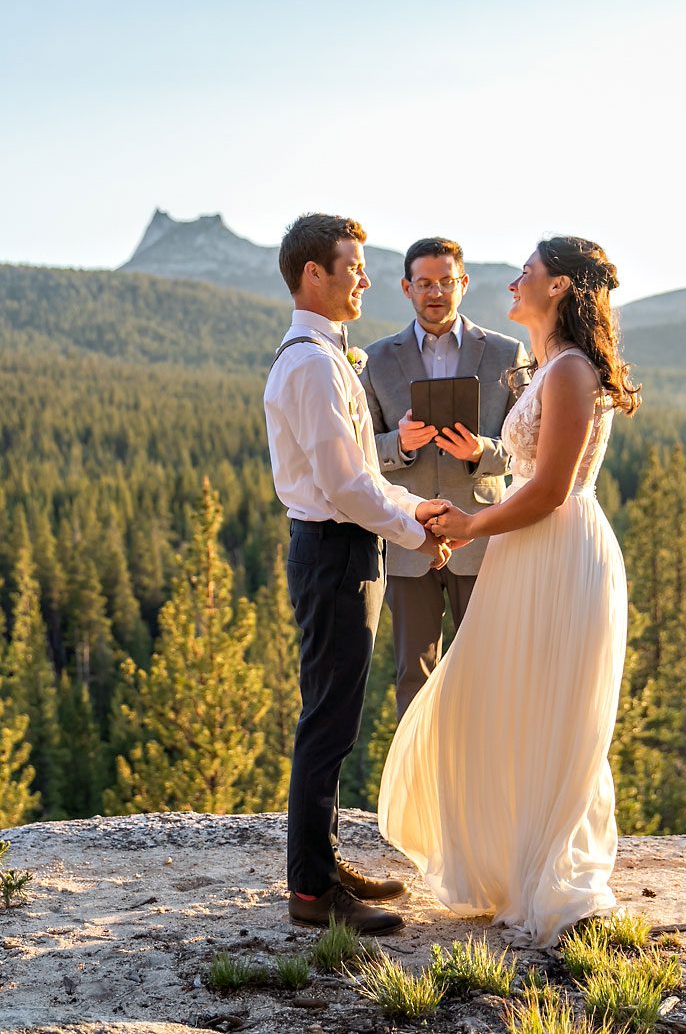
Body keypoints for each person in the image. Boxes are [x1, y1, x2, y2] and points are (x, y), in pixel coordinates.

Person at [377, 235, 642, 947]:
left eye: (527, 272)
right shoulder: (551, 367)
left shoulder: (569, 372)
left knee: (546, 706)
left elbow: (552, 490)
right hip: (526, 549)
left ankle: (547, 872)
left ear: (558, 288)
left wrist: (470, 523)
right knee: (501, 699)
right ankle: (512, 864)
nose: (514, 282)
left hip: (555, 548)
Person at [262, 213, 455, 935]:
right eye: (354, 266)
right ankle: (312, 892)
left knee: (334, 718)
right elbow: (345, 488)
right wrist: (413, 529)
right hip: (334, 550)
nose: (365, 279)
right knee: (328, 721)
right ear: (315, 274)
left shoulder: (324, 356)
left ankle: (324, 861)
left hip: (344, 547)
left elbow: (365, 473)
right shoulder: (311, 364)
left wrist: (417, 505)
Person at [361, 237, 530, 718]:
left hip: (481, 536)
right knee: (414, 678)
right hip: (409, 540)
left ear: (464, 284)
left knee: (491, 668)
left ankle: (489, 784)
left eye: (445, 281)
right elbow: (358, 453)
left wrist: (481, 451)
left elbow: (525, 451)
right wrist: (400, 443)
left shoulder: (505, 351)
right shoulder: (375, 359)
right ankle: (421, 792)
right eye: (424, 283)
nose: (435, 292)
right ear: (406, 288)